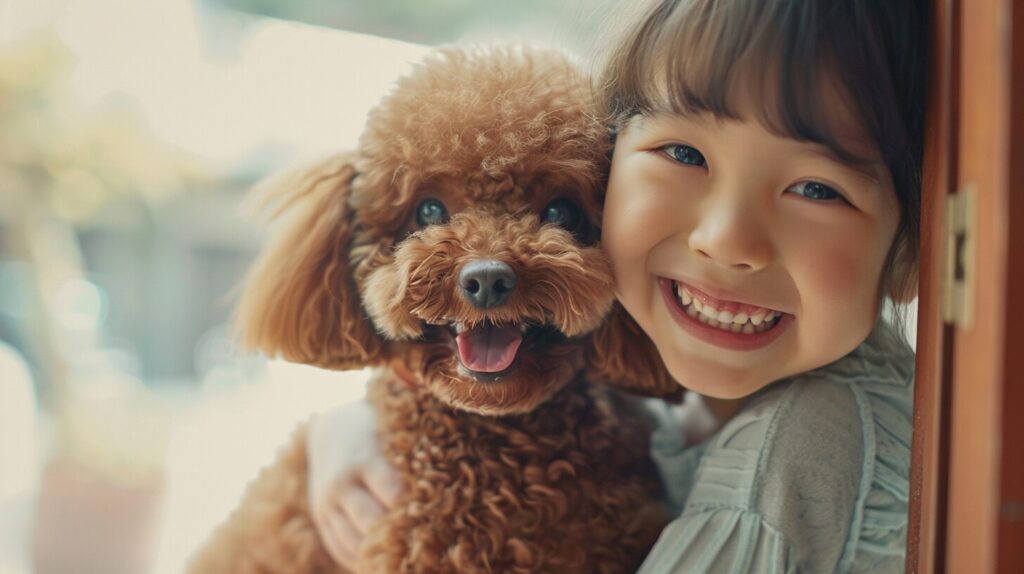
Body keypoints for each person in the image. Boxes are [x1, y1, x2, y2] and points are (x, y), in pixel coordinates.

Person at [306, 0, 927, 571]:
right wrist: (350, 425)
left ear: (911, 251)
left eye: (818, 189)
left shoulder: (798, 456)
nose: (727, 240)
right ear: (612, 173)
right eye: (683, 154)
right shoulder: (672, 400)